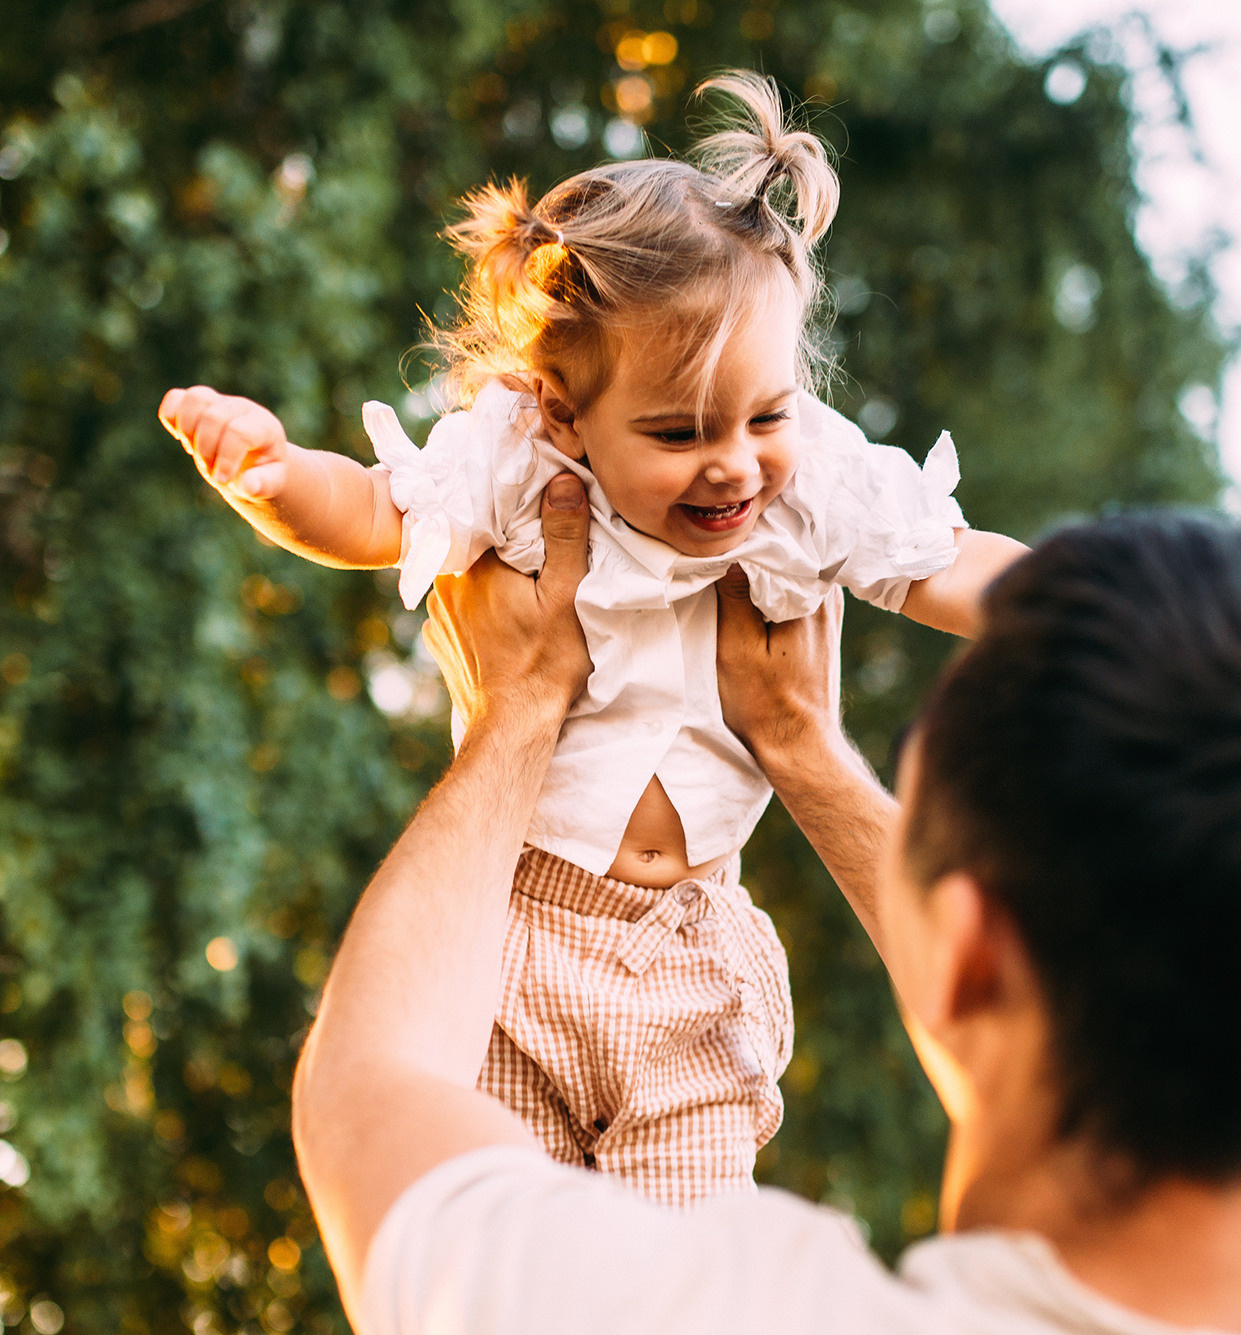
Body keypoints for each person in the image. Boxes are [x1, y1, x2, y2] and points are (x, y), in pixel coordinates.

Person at [290, 476, 1241, 1334]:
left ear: (961, 947)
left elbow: (372, 1082)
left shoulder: (705, 1308)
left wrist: (517, 712)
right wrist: (796, 743)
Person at [156, 71, 1027, 1204]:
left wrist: (1093, 607)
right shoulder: (519, 465)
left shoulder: (812, 483)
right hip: (512, 931)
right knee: (512, 1245)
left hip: (685, 959)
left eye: (762, 415)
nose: (731, 463)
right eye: (676, 432)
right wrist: (273, 478)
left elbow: (951, 564)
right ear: (564, 411)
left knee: (674, 1272)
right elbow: (377, 512)